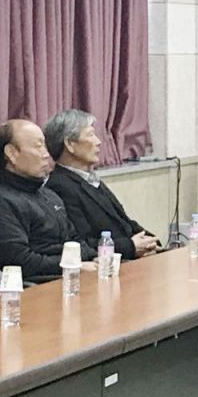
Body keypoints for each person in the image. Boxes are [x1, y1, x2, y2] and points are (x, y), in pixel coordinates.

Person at [43, 109, 160, 260]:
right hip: (108, 264)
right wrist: (131, 247)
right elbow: (81, 242)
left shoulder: (90, 179)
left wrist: (151, 241)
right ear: (70, 144)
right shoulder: (59, 186)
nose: (98, 142)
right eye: (90, 135)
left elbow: (124, 222)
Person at [0, 119, 96, 281]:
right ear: (11, 153)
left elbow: (74, 239)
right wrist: (73, 266)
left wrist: (94, 257)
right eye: (38, 146)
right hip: (39, 285)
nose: (46, 155)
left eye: (45, 146)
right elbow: (20, 261)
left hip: (71, 275)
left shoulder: (49, 195)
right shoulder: (4, 201)